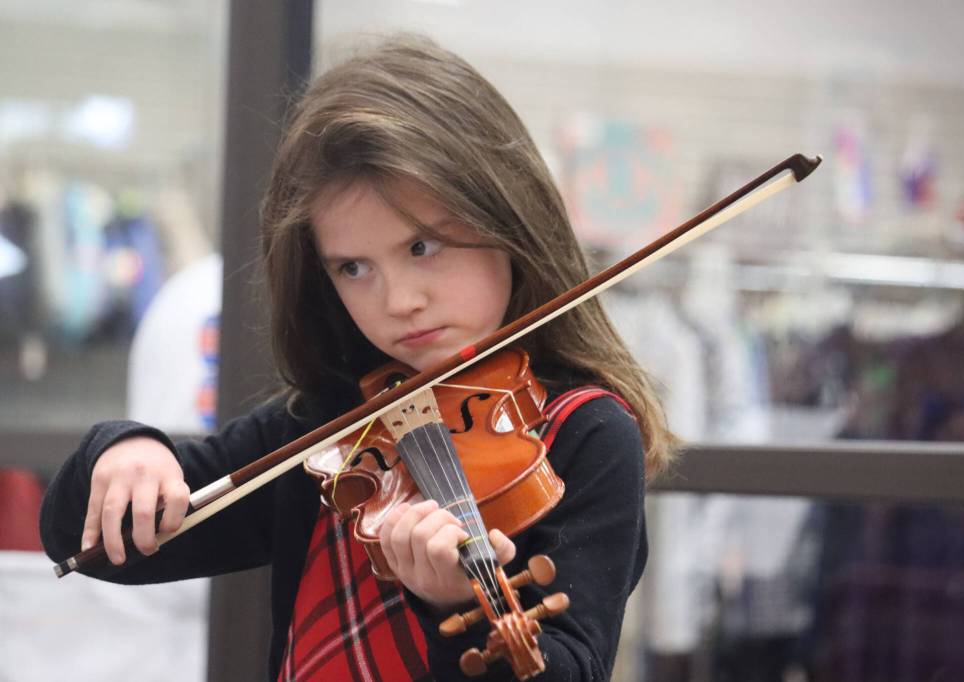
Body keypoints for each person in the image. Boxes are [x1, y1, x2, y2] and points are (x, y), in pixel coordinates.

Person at [40, 34, 677, 681]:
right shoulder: (337, 424)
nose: (399, 300)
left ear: (508, 218)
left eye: (422, 247)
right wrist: (123, 451)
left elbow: (568, 667)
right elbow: (95, 548)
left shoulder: (586, 434)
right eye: (353, 267)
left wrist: (461, 604)